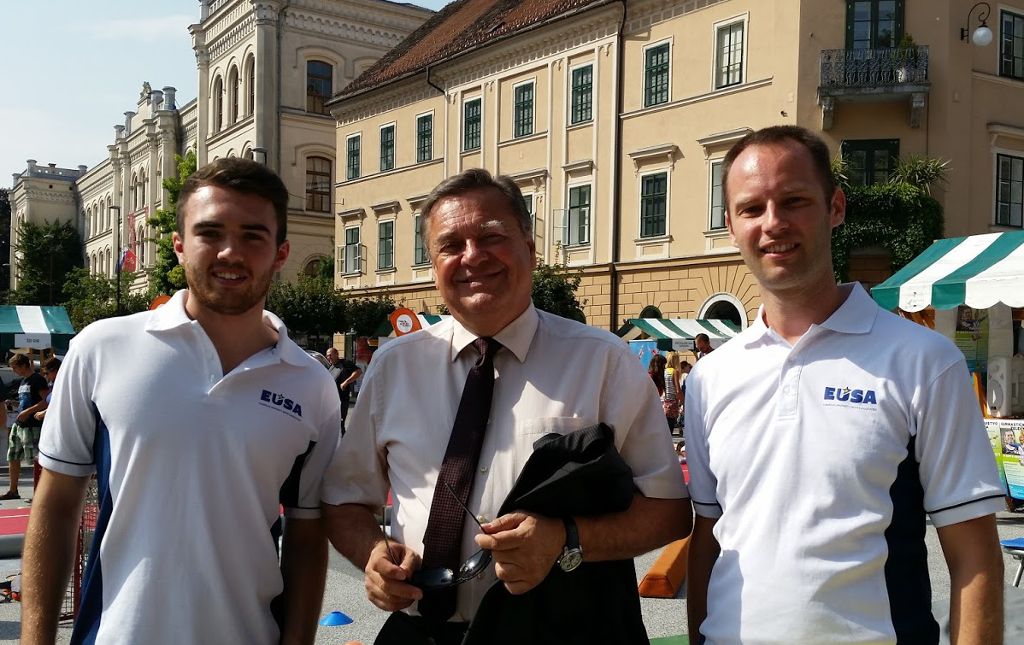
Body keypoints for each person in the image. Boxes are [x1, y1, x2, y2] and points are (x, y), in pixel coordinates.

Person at [322, 168, 690, 644]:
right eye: (450, 245)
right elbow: (346, 500)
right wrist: (373, 552)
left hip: (565, 634)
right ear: (434, 265)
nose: (472, 257)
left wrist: (566, 539)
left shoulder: (603, 362)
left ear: (531, 250)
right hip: (424, 632)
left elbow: (669, 510)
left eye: (491, 236)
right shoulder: (395, 366)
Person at [685, 125, 1005, 645]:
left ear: (835, 207)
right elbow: (709, 539)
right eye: (751, 209)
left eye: (794, 201)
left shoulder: (924, 360)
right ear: (730, 224)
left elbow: (974, 553)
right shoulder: (709, 378)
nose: (773, 224)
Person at [21, 158, 339, 645]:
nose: (231, 252)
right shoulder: (101, 347)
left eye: (254, 235)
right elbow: (56, 506)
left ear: (280, 253)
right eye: (210, 233)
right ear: (178, 245)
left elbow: (306, 537)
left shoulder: (311, 384)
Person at [1, 353, 49, 501]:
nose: (14, 370)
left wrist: (28, 411)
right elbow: (27, 401)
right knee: (13, 456)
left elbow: (46, 401)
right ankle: (13, 490)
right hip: (19, 424)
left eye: (15, 367)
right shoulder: (23, 382)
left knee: (34, 459)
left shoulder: (38, 379)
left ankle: (39, 493)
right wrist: (15, 404)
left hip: (32, 425)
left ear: (23, 365)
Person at [326, 346, 362, 434]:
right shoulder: (331, 367)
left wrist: (346, 382)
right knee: (331, 426)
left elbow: (358, 371)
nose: (329, 357)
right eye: (327, 356)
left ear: (337, 354)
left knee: (339, 425)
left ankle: (342, 444)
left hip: (341, 400)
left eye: (331, 355)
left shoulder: (345, 363)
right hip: (331, 402)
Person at [663, 352, 682, 432]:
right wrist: (683, 401)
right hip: (673, 401)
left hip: (665, 401)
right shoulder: (674, 371)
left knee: (666, 426)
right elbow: (677, 390)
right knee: (671, 425)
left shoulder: (665, 371)